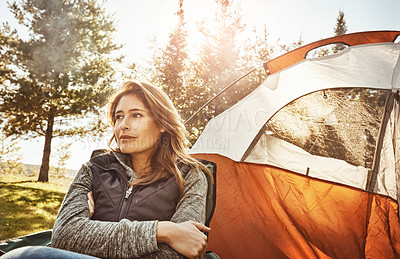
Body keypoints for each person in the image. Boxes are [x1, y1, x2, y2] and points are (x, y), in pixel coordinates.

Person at [1, 81, 212, 259]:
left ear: (163, 123)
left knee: (27, 257)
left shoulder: (191, 175)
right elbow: (65, 234)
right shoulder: (94, 169)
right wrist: (162, 230)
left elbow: (180, 252)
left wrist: (91, 235)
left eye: (136, 115)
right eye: (119, 117)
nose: (123, 126)